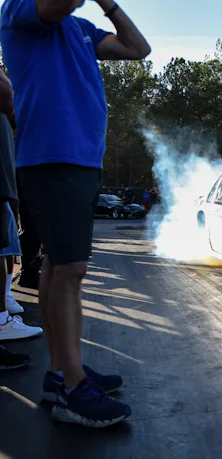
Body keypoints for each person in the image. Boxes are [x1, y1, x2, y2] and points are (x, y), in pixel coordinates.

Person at [1, 0, 151, 427]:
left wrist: (110, 5)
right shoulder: (19, 9)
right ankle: (72, 387)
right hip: (53, 157)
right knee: (72, 269)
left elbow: (138, 49)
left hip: (80, 159)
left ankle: (61, 374)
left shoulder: (81, 27)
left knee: (58, 265)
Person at [0, 68, 43, 346]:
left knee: (8, 243)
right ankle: (2, 319)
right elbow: (7, 96)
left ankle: (4, 302)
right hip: (10, 177)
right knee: (5, 242)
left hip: (11, 177)